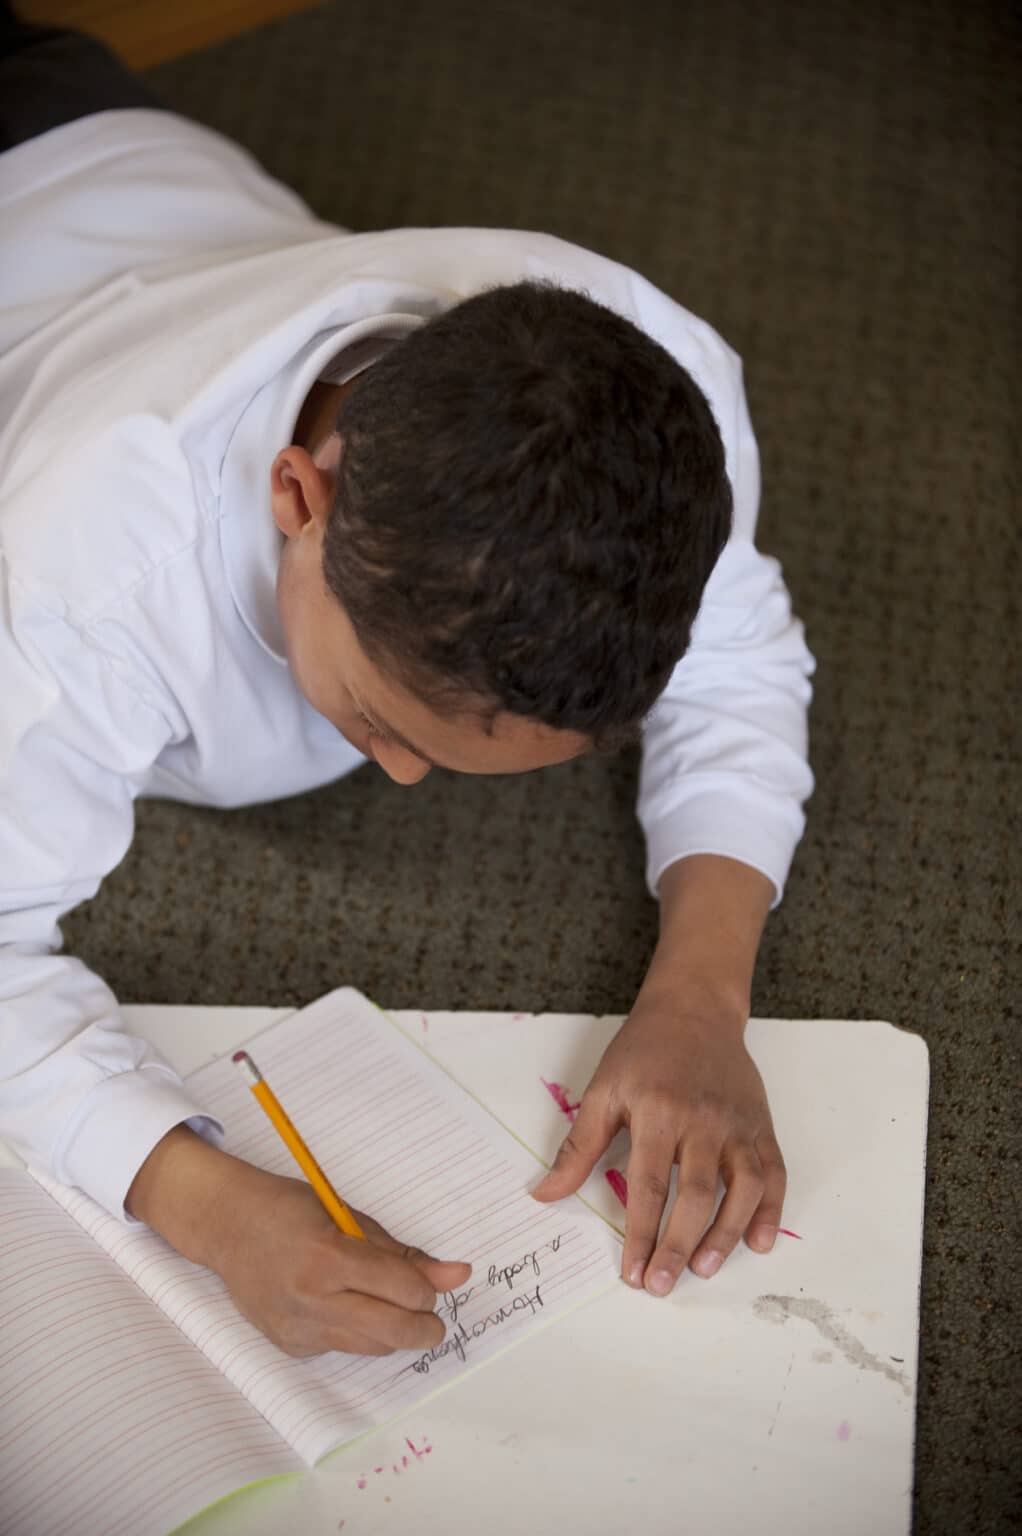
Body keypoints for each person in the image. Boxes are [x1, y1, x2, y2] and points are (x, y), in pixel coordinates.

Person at [0, 5, 815, 1360]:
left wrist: (698, 999)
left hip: (107, 147)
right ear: (294, 497)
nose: (396, 782)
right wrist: (204, 1204)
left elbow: (738, 652)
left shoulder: (655, 387)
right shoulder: (81, 587)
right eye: (379, 724)